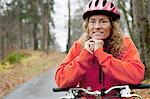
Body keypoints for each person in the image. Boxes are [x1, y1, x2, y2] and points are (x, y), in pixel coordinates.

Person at [55, 0, 145, 98]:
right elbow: (61, 80)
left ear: (112, 26)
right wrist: (85, 56)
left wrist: (100, 54)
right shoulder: (79, 46)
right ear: (87, 26)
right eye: (92, 22)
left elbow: (137, 75)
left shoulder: (125, 44)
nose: (97, 26)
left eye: (103, 21)